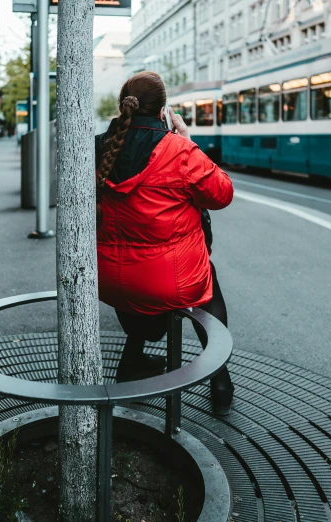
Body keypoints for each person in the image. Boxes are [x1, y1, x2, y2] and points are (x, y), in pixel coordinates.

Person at [95, 71, 235, 415]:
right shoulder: (179, 149)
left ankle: (132, 364)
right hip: (167, 283)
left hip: (108, 281)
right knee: (206, 277)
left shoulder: (100, 146)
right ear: (163, 111)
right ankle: (220, 378)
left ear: (123, 107)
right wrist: (187, 139)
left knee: (137, 273)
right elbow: (222, 194)